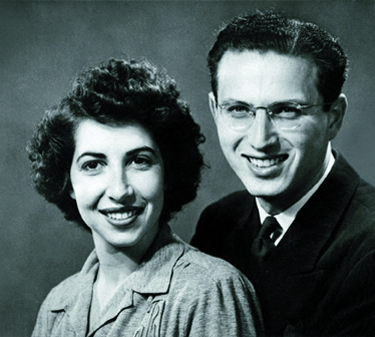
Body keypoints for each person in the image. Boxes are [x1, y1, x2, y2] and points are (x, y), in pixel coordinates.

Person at [191, 11, 375, 337]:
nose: (259, 139)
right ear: (215, 110)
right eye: (239, 109)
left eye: (287, 111)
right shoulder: (220, 223)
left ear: (333, 117)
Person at [27, 57, 263, 337]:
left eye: (139, 161)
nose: (119, 190)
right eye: (93, 165)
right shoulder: (58, 304)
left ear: (168, 174)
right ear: (69, 184)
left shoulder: (209, 290)